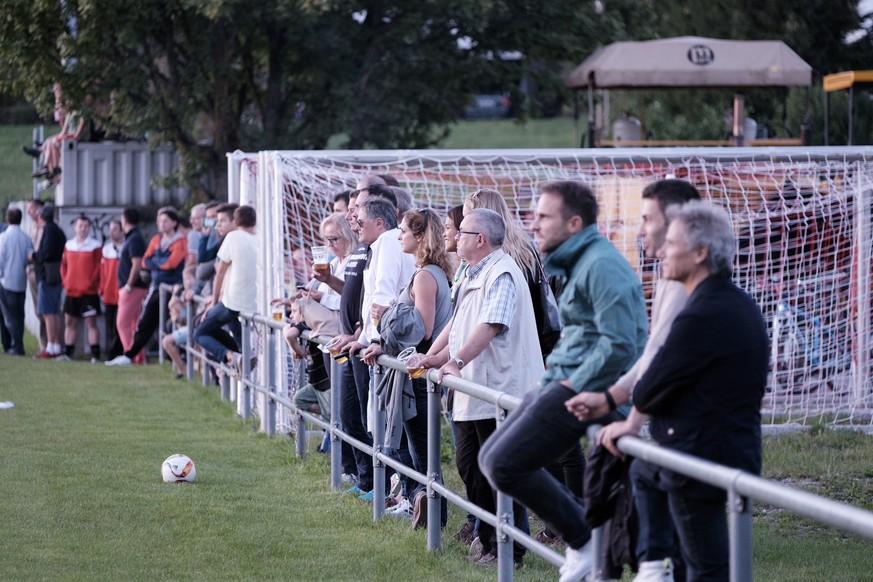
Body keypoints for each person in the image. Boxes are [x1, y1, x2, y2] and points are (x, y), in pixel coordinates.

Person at [477, 180, 648, 582]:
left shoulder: (602, 265)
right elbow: (580, 337)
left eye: (543, 217)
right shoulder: (577, 261)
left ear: (573, 223)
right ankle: (583, 538)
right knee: (491, 460)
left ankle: (584, 539)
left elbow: (621, 345)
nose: (532, 224)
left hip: (584, 389)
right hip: (562, 380)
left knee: (504, 462)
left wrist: (573, 385)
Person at [597, 202, 769, 582]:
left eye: (670, 243)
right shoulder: (734, 302)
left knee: (707, 570)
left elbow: (651, 384)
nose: (659, 251)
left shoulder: (701, 314)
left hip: (701, 458)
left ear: (700, 253)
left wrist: (629, 414)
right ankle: (654, 562)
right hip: (718, 448)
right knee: (642, 470)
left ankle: (655, 566)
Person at [567, 178, 702, 581]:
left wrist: (625, 412)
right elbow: (651, 356)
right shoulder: (667, 274)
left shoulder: (685, 281)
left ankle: (642, 562)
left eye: (646, 219)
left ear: (676, 222)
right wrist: (611, 399)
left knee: (699, 554)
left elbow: (659, 358)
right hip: (671, 424)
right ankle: (638, 560)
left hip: (693, 430)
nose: (639, 229)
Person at [407, 208, 544, 568]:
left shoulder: (502, 273)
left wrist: (457, 362)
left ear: (479, 239)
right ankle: (488, 538)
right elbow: (457, 320)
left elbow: (490, 324)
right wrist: (433, 357)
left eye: (461, 231)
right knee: (470, 467)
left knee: (497, 470)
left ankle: (510, 549)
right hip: (475, 388)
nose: (454, 235)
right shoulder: (471, 270)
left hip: (499, 388)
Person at [361, 208, 453, 521]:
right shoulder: (426, 272)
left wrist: (385, 315)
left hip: (419, 375)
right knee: (411, 448)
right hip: (415, 372)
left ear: (419, 236)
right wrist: (381, 342)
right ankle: (421, 504)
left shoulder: (426, 276)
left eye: (403, 231)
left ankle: (433, 515)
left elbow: (422, 330)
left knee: (421, 450)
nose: (398, 236)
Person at [106, 206, 187, 366]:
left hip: (173, 288)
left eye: (165, 220)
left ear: (174, 222)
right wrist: (159, 263)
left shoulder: (181, 240)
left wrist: (155, 264)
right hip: (157, 287)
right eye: (159, 220)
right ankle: (129, 355)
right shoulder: (156, 239)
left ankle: (179, 358)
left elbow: (172, 263)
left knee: (174, 322)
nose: (161, 223)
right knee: (145, 322)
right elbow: (145, 261)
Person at [192, 205, 258, 375]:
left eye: (221, 220)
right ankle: (242, 355)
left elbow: (219, 273)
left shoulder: (233, 237)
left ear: (235, 222)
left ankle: (231, 356)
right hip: (254, 303)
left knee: (199, 333)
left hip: (233, 302)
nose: (218, 224)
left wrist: (213, 303)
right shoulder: (259, 239)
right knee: (231, 326)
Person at [60, 215, 103, 361]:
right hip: (71, 291)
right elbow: (63, 266)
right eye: (80, 226)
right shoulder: (68, 245)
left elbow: (99, 268)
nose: (83, 229)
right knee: (69, 322)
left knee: (91, 323)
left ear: (89, 228)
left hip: (88, 292)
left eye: (86, 226)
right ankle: (68, 353)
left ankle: (95, 355)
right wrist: (66, 282)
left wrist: (92, 283)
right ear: (75, 227)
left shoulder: (95, 245)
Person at [31, 205, 67, 359]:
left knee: (48, 312)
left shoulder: (49, 231)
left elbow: (45, 253)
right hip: (57, 275)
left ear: (41, 217)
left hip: (48, 276)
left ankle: (51, 347)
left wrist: (33, 256)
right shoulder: (58, 230)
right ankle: (56, 346)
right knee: (54, 311)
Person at [115, 207, 149, 363]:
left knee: (122, 323)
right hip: (132, 288)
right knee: (134, 324)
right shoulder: (131, 237)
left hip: (133, 288)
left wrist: (129, 284)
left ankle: (131, 355)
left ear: (125, 220)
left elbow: (136, 263)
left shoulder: (134, 238)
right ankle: (137, 356)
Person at [0, 207, 34, 355]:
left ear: (8, 219)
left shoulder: (3, 238)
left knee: (8, 317)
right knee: (19, 315)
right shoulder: (26, 238)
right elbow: (30, 259)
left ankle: (14, 346)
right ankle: (17, 345)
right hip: (21, 281)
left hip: (6, 282)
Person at [99, 219, 125, 360]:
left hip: (121, 293)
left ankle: (118, 353)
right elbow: (102, 272)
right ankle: (111, 352)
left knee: (120, 324)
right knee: (110, 325)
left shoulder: (127, 248)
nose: (111, 232)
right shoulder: (106, 249)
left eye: (115, 229)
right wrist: (102, 289)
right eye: (110, 229)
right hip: (109, 293)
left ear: (122, 231)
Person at [25, 199, 48, 351]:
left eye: (31, 209)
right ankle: (44, 344)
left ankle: (49, 345)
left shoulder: (47, 228)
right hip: (32, 272)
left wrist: (33, 256)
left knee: (45, 310)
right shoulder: (33, 226)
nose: (28, 212)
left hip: (43, 273)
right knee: (38, 311)